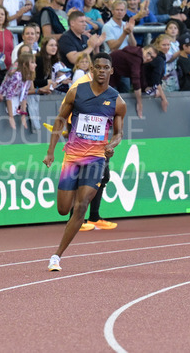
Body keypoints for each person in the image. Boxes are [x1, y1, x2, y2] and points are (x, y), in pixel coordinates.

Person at [43, 52, 126, 271]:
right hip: (72, 157)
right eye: (98, 67)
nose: (101, 71)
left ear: (111, 71)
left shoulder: (117, 101)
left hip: (96, 159)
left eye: (105, 67)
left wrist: (112, 145)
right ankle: (71, 201)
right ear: (91, 70)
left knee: (81, 207)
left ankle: (56, 256)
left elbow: (119, 134)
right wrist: (50, 152)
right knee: (63, 209)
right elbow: (60, 121)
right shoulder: (76, 92)